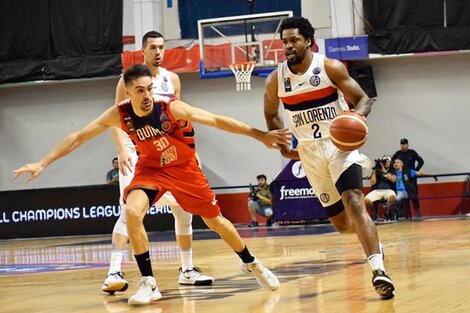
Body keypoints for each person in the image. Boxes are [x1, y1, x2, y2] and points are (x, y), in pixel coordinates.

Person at [14, 64, 289, 306]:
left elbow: (217, 120)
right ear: (128, 93)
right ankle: (148, 282)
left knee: (216, 222)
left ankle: (251, 263)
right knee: (132, 212)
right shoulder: (119, 114)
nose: (146, 96)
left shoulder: (170, 107)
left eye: (149, 89)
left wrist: (260, 135)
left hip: (184, 168)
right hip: (151, 169)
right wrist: (42, 163)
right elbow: (78, 137)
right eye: (140, 91)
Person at [263, 16, 394, 300]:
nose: (288, 46)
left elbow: (363, 99)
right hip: (308, 154)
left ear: (308, 41)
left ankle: (378, 269)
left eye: (294, 40)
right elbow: (271, 113)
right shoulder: (276, 80)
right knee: (344, 225)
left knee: (354, 201)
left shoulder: (329, 67)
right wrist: (280, 138)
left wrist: (355, 119)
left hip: (339, 146)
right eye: (284, 41)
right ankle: (374, 212)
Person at [103, 31, 213, 294]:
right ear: (143, 50)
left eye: (162, 47)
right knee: (129, 211)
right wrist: (122, 150)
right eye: (152, 47)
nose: (158, 52)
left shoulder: (171, 80)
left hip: (169, 155)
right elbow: (115, 117)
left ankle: (187, 269)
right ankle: (113, 272)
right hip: (137, 153)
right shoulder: (127, 81)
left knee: (184, 210)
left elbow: (181, 120)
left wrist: (191, 151)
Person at [392, 138, 424, 217]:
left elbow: (421, 161)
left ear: (407, 144)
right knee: (401, 195)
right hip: (401, 177)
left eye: (404, 144)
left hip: (411, 177)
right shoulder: (398, 154)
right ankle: (403, 214)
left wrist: (415, 170)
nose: (403, 146)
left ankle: (417, 212)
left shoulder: (412, 153)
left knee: (414, 195)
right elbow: (392, 163)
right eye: (402, 144)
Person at [365, 156, 397, 222]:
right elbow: (373, 183)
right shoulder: (377, 171)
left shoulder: (392, 170)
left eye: (388, 161)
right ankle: (374, 212)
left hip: (388, 190)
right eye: (385, 161)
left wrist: (385, 172)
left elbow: (393, 179)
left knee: (392, 196)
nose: (387, 163)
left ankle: (386, 212)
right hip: (377, 190)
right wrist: (375, 171)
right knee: (366, 200)